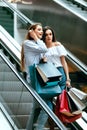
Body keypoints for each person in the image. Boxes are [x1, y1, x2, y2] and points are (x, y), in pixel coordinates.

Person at [20, 23, 53, 130]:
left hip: (37, 78)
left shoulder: (34, 44)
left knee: (36, 108)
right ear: (32, 31)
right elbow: (44, 49)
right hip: (35, 79)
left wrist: (42, 60)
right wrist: (34, 37)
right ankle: (39, 128)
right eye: (39, 30)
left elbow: (41, 52)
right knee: (47, 106)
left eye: (41, 30)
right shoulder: (28, 43)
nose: (41, 32)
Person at [42, 26, 71, 129]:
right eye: (46, 35)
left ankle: (63, 124)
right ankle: (51, 125)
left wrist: (68, 78)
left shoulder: (57, 45)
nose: (49, 37)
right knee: (49, 100)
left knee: (61, 100)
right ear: (43, 37)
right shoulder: (42, 48)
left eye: (50, 34)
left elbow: (64, 62)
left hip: (60, 73)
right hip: (49, 75)